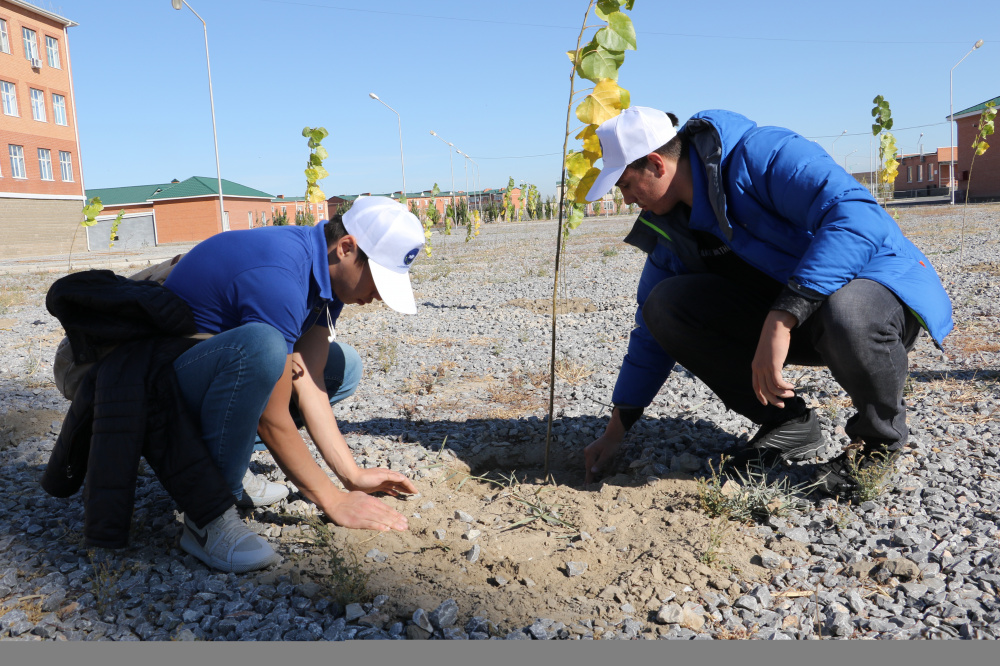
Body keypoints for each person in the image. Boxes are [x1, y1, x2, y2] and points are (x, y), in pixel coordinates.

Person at [581, 106, 953, 494]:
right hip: (801, 319)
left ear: (656, 164)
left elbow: (858, 217)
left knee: (849, 309)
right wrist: (616, 430)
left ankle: (878, 443)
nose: (624, 200)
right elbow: (650, 331)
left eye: (625, 184)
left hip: (877, 293)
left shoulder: (762, 154)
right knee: (666, 305)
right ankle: (788, 423)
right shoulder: (672, 225)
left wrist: (782, 318)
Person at [163, 196, 424, 572]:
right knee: (264, 350)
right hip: (161, 387)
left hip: (211, 376)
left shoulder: (327, 274)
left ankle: (230, 465)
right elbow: (273, 418)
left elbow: (312, 381)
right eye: (379, 279)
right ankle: (208, 515)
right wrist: (332, 499)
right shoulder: (281, 276)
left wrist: (352, 476)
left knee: (342, 367)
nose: (380, 295)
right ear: (347, 247)